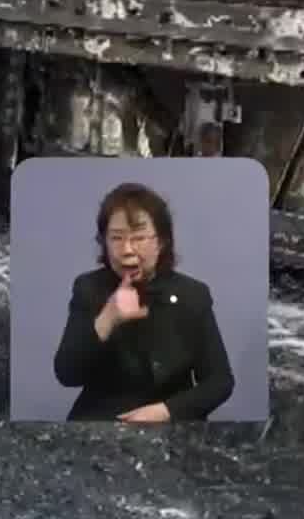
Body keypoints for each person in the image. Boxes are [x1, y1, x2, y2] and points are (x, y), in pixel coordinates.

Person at [52, 181, 233, 422]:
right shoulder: (89, 288)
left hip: (172, 429)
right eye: (116, 238)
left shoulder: (193, 294)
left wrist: (166, 411)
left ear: (161, 242)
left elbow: (220, 382)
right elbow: (67, 374)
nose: (126, 250)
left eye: (138, 238)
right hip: (103, 427)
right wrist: (107, 318)